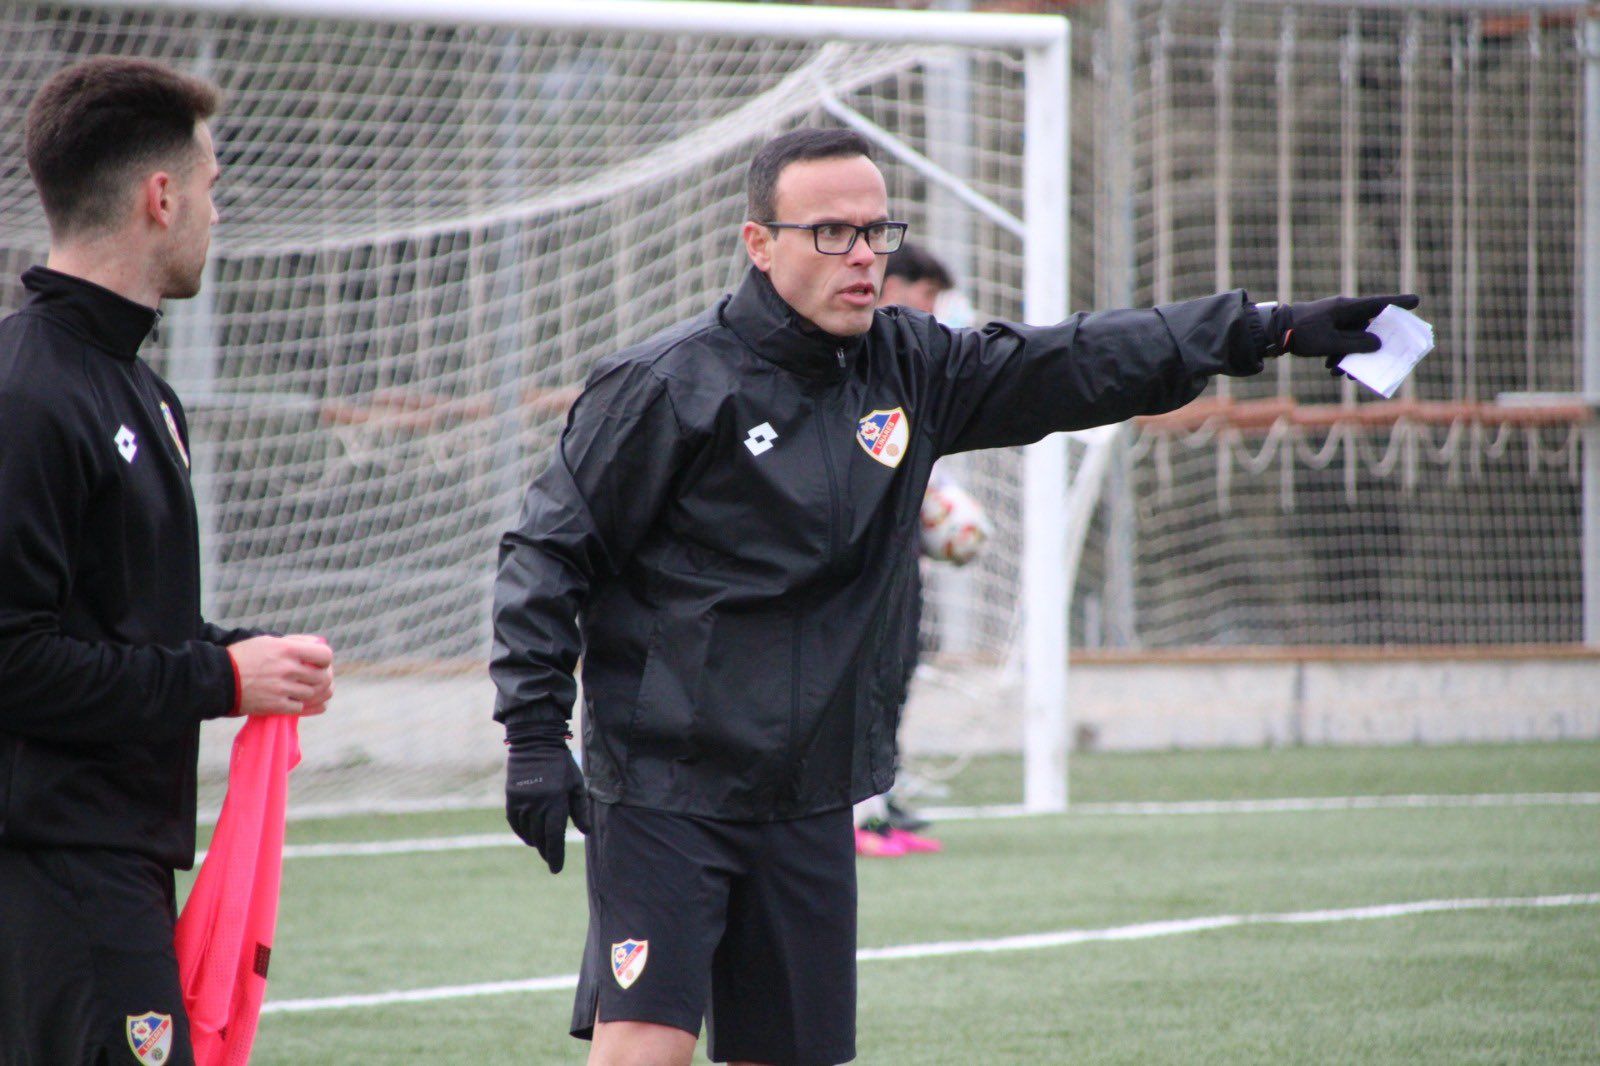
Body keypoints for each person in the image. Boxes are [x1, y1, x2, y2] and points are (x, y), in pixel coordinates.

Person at [491, 126, 1415, 1066]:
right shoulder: (665, 386)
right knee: (645, 1045)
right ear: (758, 244)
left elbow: (1077, 359)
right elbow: (547, 551)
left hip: (812, 790)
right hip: (665, 789)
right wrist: (533, 737)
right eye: (830, 234)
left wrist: (1268, 328)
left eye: (875, 232)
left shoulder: (911, 369)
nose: (862, 255)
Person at [0, 57, 336, 1065]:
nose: (215, 216)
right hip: (49, 865)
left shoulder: (142, 394)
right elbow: (13, 660)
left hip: (115, 855)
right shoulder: (27, 395)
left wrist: (243, 655)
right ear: (161, 196)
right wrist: (219, 676)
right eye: (212, 190)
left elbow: (119, 628)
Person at [853, 240, 963, 857]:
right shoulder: (853, 360)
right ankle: (855, 815)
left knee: (895, 673)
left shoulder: (912, 365)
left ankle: (879, 802)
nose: (933, 313)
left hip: (902, 553)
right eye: (926, 298)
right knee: (863, 678)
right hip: (859, 562)